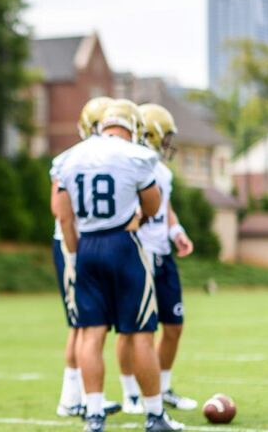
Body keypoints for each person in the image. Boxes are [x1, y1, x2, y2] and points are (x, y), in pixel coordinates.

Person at [55, 99, 184, 431]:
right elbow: (153, 206)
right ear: (134, 127)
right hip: (123, 245)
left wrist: (76, 254)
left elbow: (64, 216)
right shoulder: (136, 155)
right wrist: (135, 220)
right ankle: (154, 414)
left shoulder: (70, 157)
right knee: (140, 333)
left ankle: (93, 414)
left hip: (86, 246)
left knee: (91, 334)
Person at [117, 104, 197, 414]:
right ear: (150, 134)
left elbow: (165, 208)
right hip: (140, 253)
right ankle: (130, 394)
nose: (168, 145)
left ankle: (162, 389)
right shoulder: (131, 165)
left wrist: (177, 232)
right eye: (165, 138)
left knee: (174, 325)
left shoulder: (161, 170)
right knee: (133, 329)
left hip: (163, 254)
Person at [51, 97, 121, 417]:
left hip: (87, 245)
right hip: (74, 244)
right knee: (82, 323)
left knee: (91, 324)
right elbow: (60, 210)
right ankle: (70, 398)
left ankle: (80, 394)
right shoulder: (72, 158)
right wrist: (76, 250)